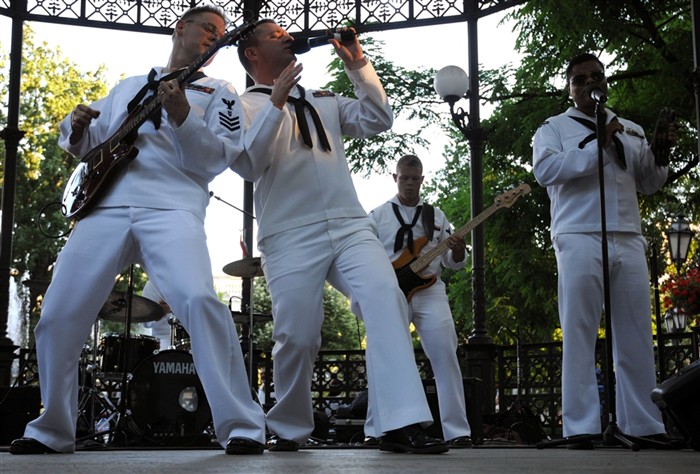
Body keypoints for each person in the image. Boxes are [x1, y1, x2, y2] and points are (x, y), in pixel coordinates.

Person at [10, 5, 275, 455]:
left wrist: (183, 116)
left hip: (172, 208)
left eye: (221, 33)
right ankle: (53, 428)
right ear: (181, 28)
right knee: (57, 314)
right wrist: (74, 128)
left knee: (197, 301)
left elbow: (217, 158)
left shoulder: (221, 91)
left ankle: (242, 424)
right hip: (106, 208)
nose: (214, 37)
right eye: (208, 28)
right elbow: (91, 149)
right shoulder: (129, 87)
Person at [233, 19, 447, 454]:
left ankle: (398, 423)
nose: (286, 37)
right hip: (290, 234)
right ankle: (290, 427)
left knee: (387, 298)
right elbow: (249, 165)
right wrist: (276, 103)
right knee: (298, 334)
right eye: (275, 36)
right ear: (252, 53)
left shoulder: (322, 100)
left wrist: (358, 64)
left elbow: (377, 118)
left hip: (350, 225)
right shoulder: (244, 106)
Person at [532, 52, 676, 448]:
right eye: (580, 79)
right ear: (570, 87)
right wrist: (599, 144)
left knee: (635, 333)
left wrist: (661, 156)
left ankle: (643, 425)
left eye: (597, 76)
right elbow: (545, 171)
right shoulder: (553, 128)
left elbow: (647, 182)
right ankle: (580, 427)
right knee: (579, 331)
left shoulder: (630, 128)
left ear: (605, 82)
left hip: (627, 234)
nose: (590, 83)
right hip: (578, 235)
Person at [362, 154, 472, 448]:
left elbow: (452, 262)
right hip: (391, 291)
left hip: (430, 290)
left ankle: (457, 430)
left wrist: (459, 252)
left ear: (422, 179)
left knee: (446, 354)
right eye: (404, 178)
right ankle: (375, 430)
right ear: (394, 178)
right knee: (380, 356)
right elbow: (365, 258)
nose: (410, 184)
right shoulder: (376, 216)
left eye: (415, 178)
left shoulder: (436, 216)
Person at [141, 280, 174, 350]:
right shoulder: (151, 285)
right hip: (162, 341)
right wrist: (160, 312)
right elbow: (146, 323)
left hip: (191, 339)